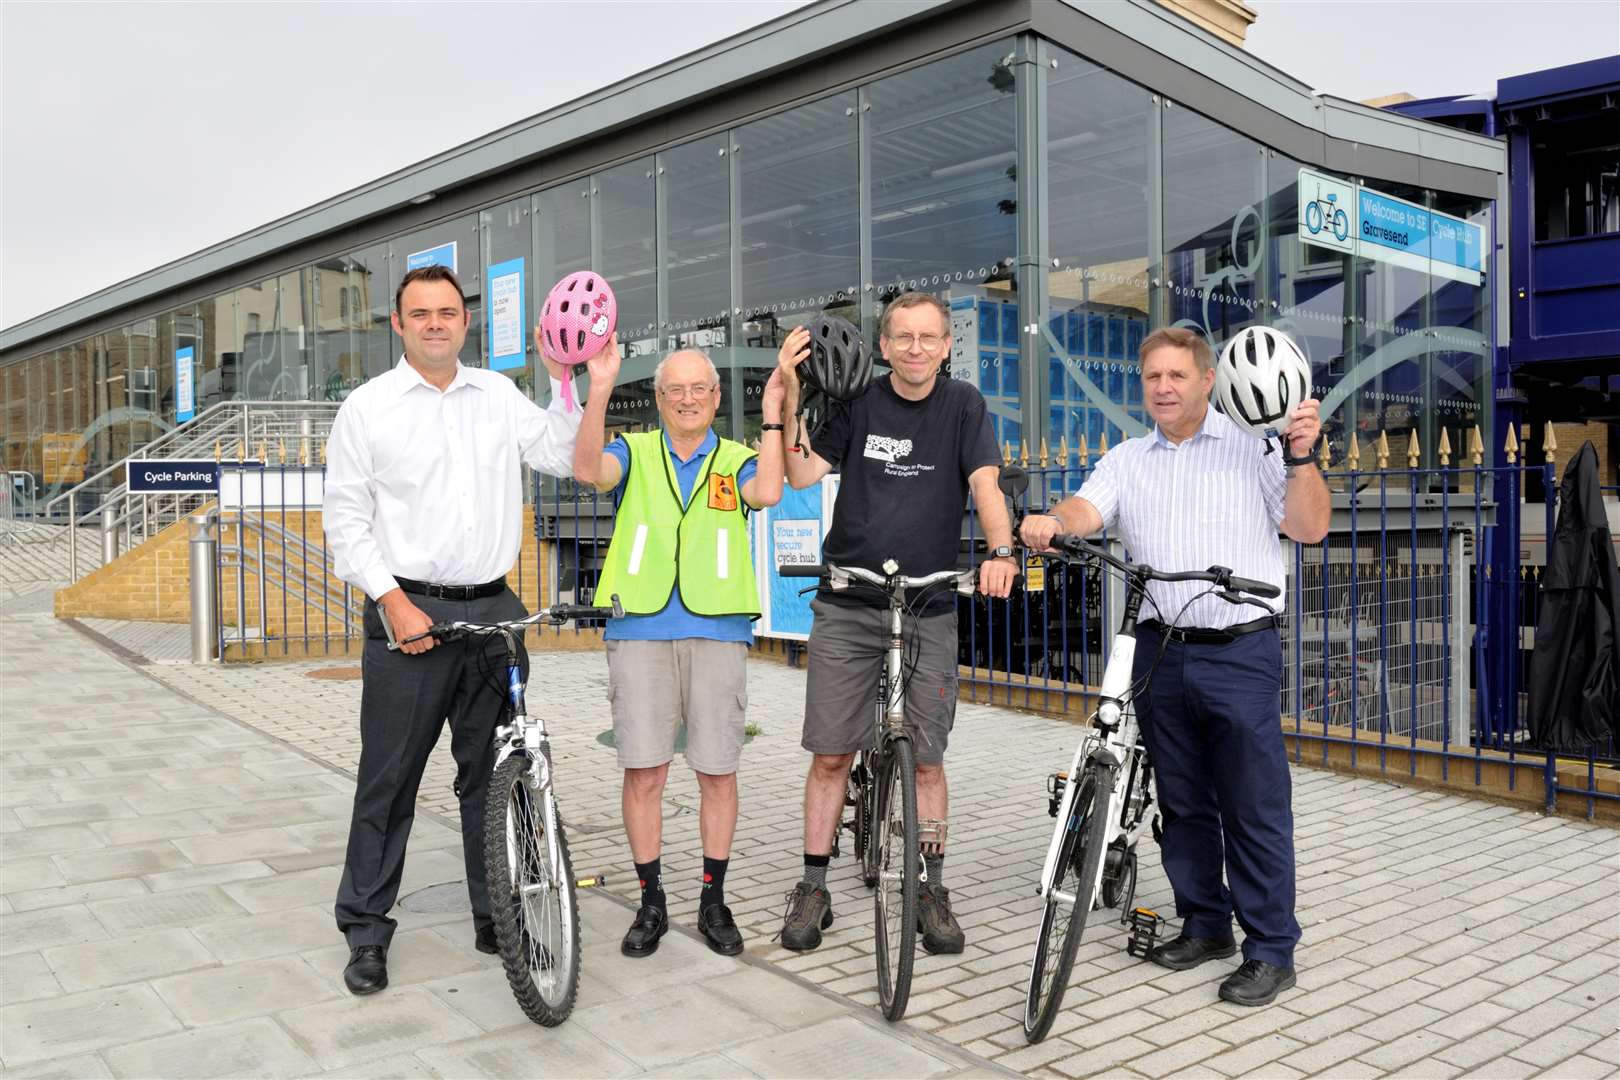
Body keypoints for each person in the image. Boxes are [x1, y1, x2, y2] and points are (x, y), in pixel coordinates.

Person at [1020, 325, 1329, 1007]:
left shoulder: (1257, 446)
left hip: (1241, 650)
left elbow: (1309, 527)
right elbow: (1087, 507)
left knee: (1253, 806)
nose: (1163, 388)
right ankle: (1206, 924)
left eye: (1176, 376)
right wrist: (1054, 520)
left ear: (1206, 381)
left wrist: (1300, 457)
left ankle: (1272, 949)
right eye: (1152, 377)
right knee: (1184, 804)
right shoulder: (1129, 457)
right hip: (1161, 652)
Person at [323, 264, 589, 995]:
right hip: (409, 612)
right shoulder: (369, 409)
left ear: (465, 322)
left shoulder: (498, 395)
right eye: (421, 313)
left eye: (448, 312)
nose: (436, 323)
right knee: (389, 780)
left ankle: (496, 914)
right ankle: (367, 932)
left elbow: (563, 455)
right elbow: (345, 521)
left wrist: (572, 381)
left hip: (493, 611)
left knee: (493, 778)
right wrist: (390, 600)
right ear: (399, 325)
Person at [774, 292, 1016, 955]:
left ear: (945, 345)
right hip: (851, 601)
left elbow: (987, 486)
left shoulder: (963, 405)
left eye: (927, 337)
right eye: (902, 337)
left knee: (928, 761)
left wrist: (1001, 552)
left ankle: (931, 885)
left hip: (929, 605)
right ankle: (812, 885)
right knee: (830, 755)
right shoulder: (857, 403)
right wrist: (791, 394)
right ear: (884, 346)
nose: (915, 347)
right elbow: (800, 473)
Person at [573, 345, 786, 957]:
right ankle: (650, 900)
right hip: (638, 626)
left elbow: (769, 491)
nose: (688, 398)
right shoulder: (633, 451)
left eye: (700, 388)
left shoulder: (737, 459)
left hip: (717, 628)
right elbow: (589, 470)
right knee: (644, 769)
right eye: (675, 390)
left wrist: (773, 405)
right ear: (660, 399)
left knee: (718, 768)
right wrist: (602, 388)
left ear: (717, 398)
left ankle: (713, 899)